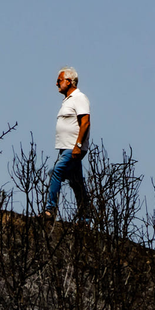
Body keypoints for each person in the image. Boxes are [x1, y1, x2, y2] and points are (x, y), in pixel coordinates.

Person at [43, 66, 91, 221]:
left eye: (59, 80)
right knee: (76, 183)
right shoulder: (68, 101)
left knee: (55, 172)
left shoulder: (79, 98)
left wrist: (78, 146)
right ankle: (85, 217)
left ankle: (50, 210)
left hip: (73, 148)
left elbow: (85, 123)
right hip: (66, 148)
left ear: (69, 82)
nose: (57, 84)